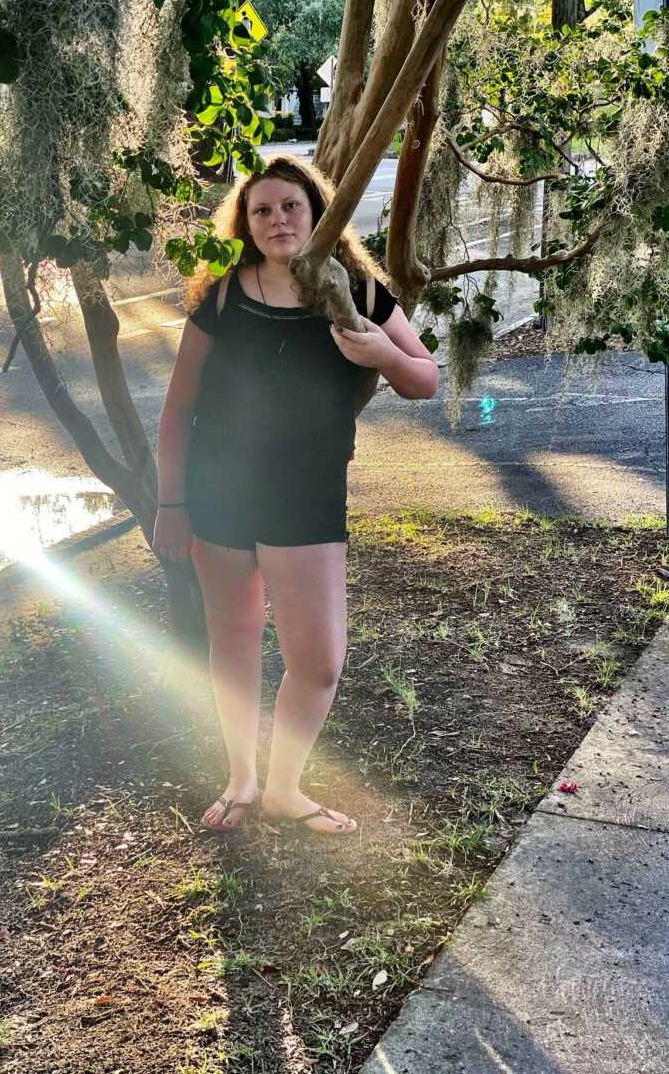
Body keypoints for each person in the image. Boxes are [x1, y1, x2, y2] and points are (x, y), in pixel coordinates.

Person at [153, 155, 439, 836]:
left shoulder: (358, 295)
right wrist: (171, 505)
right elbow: (176, 413)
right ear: (246, 224)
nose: (278, 220)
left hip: (305, 499)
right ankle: (243, 778)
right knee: (234, 639)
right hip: (218, 495)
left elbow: (425, 378)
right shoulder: (222, 299)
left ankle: (284, 786)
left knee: (318, 661)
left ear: (317, 213)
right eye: (262, 210)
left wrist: (382, 356)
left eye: (291, 206)